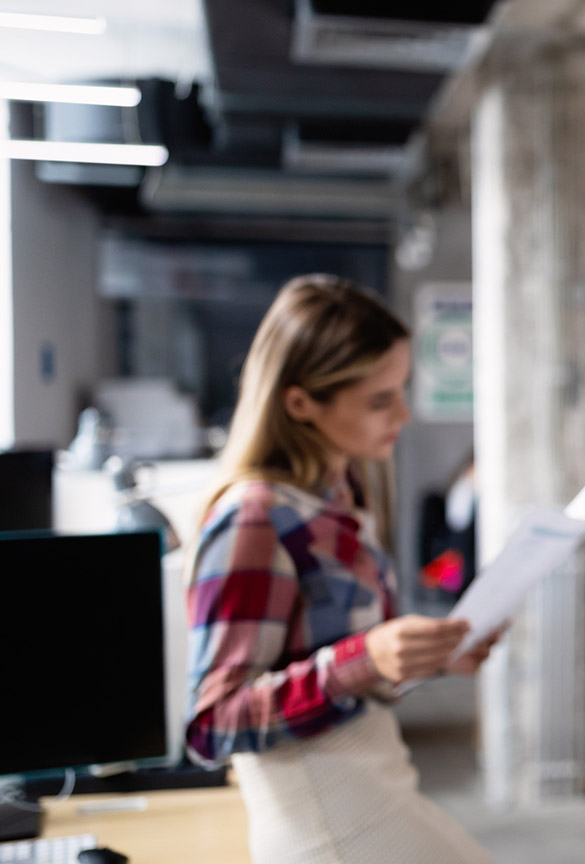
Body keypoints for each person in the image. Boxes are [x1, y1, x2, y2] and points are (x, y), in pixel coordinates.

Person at [184, 274, 497, 864]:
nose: (403, 413)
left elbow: (334, 659)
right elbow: (212, 724)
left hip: (378, 787)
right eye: (380, 399)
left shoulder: (341, 491)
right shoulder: (254, 518)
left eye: (402, 388)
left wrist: (427, 658)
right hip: (326, 823)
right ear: (300, 402)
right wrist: (366, 660)